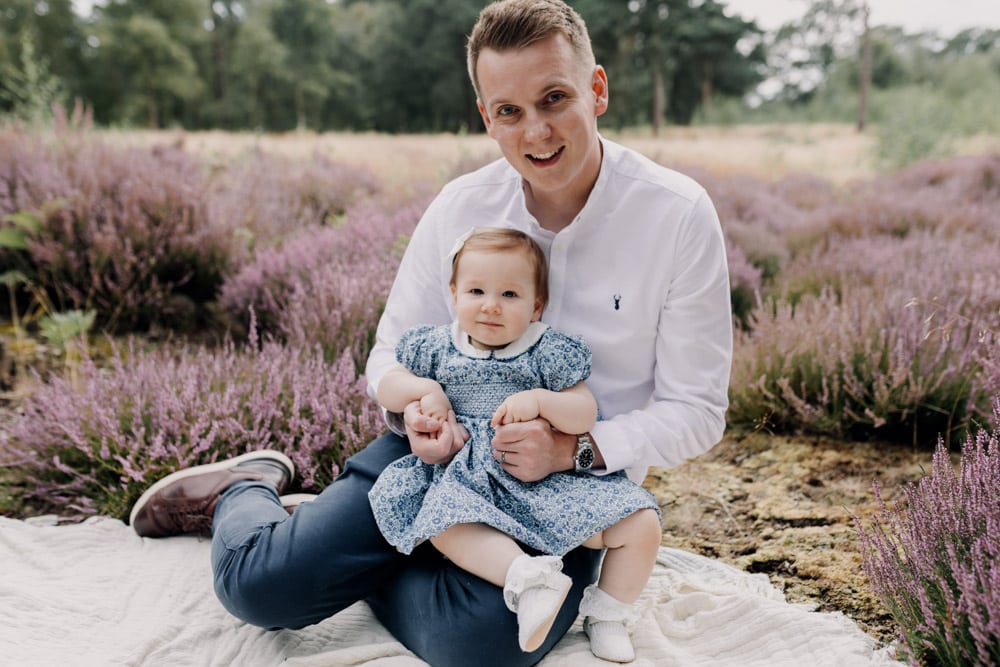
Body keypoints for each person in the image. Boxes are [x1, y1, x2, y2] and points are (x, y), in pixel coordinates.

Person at [128, 1, 733, 665]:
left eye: (554, 98)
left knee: (482, 648)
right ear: (486, 116)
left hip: (572, 490)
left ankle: (365, 558)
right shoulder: (462, 207)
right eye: (509, 111)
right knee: (261, 591)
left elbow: (695, 410)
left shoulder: (676, 216)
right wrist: (419, 406)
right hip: (432, 459)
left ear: (597, 89)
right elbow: (389, 351)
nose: (536, 131)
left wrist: (573, 452)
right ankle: (242, 488)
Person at [370, 227, 661, 661]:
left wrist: (543, 400)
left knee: (642, 524)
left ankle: (609, 614)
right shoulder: (435, 347)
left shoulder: (545, 351)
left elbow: (583, 411)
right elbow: (387, 386)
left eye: (509, 294)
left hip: (542, 477)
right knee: (444, 522)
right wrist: (423, 391)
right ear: (453, 294)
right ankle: (527, 578)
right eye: (476, 290)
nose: (490, 305)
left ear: (536, 305)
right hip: (469, 479)